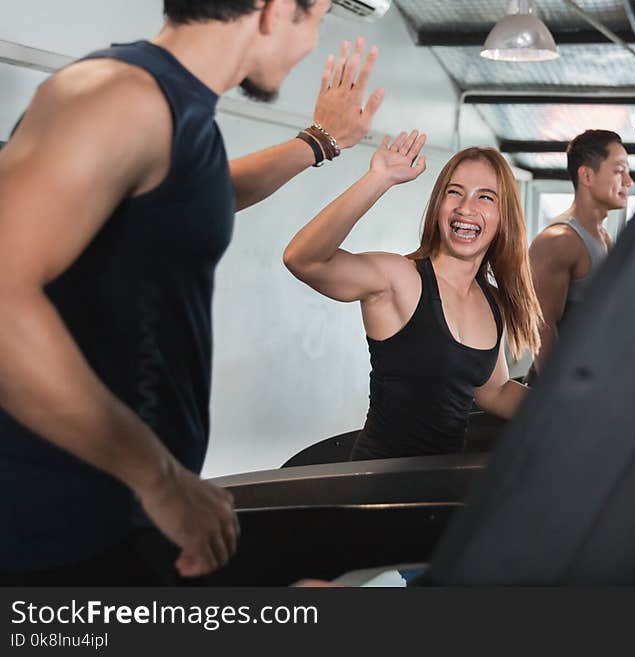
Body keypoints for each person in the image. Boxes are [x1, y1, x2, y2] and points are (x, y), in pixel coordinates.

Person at [0, 0, 384, 584]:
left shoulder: (177, 114)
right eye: (318, 18)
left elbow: (200, 196)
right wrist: (161, 478)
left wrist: (320, 142)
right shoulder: (118, 96)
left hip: (124, 513)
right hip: (52, 526)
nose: (311, 44)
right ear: (275, 11)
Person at [284, 136, 542, 460]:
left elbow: (495, 392)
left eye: (485, 197)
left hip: (437, 491)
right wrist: (378, 179)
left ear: (504, 217)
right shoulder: (399, 278)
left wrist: (568, 407)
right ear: (438, 206)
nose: (466, 208)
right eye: (454, 192)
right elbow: (303, 259)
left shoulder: (493, 303)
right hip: (379, 489)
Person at [527, 129, 632, 380]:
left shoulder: (604, 237)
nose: (628, 181)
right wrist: (560, 400)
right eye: (619, 171)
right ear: (586, 175)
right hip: (558, 394)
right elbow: (541, 327)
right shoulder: (560, 241)